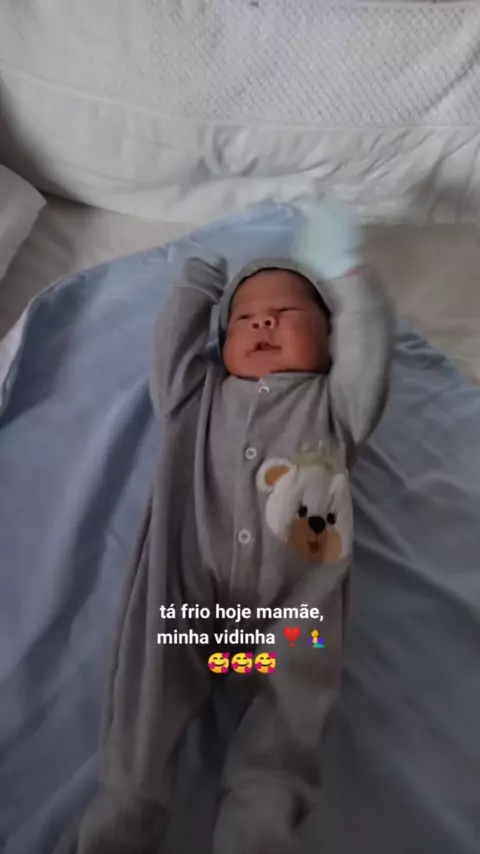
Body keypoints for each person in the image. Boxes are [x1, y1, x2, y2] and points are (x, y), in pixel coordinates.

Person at [57, 199, 393, 854]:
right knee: (147, 690)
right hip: (187, 589)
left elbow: (368, 347)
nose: (264, 320)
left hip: (296, 611)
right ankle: (128, 806)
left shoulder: (336, 406)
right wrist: (198, 286)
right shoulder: (196, 398)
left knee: (293, 713)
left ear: (329, 342)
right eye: (244, 317)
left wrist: (347, 276)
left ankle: (259, 826)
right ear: (222, 341)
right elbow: (172, 352)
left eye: (288, 312)